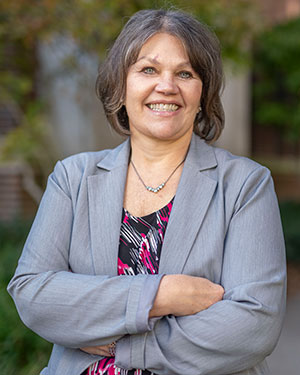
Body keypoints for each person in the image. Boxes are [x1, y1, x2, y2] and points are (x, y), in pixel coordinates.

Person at [8, 8, 286, 375]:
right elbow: (34, 294)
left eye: (185, 73)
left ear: (203, 93)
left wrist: (122, 347)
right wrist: (159, 295)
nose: (166, 86)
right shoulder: (73, 178)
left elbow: (254, 324)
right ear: (121, 88)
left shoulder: (245, 185)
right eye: (148, 70)